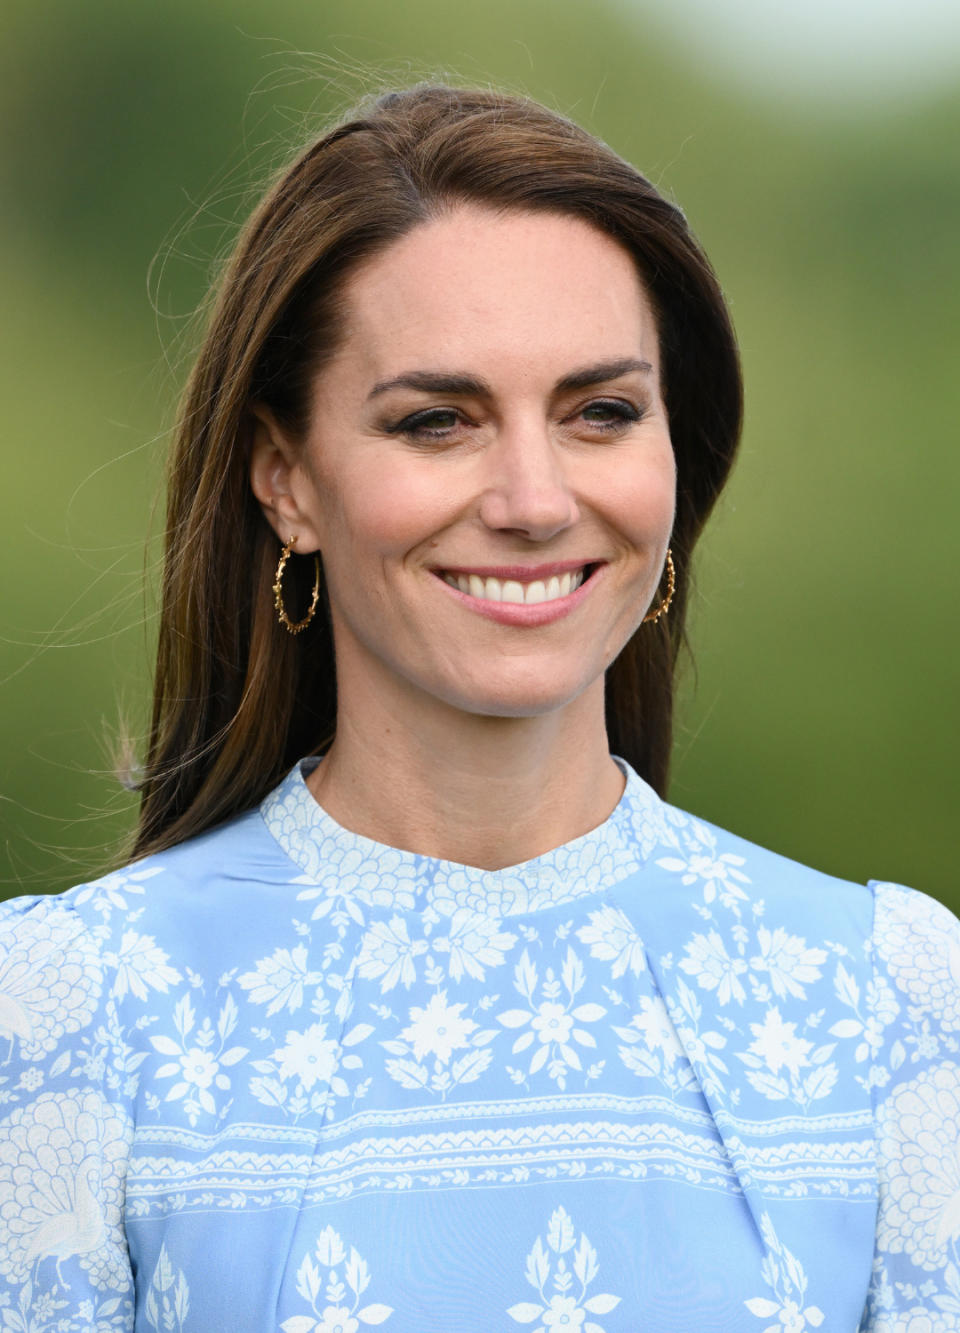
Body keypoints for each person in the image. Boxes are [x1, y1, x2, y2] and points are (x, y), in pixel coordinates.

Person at [0, 83, 956, 1333]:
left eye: (600, 413)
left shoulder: (891, 997)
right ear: (285, 478)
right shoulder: (70, 1008)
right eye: (437, 421)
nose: (533, 497)